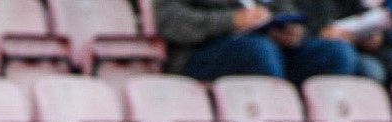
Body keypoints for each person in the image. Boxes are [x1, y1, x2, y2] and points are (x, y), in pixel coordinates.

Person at [154, 0, 362, 85]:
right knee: (259, 50)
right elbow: (169, 20)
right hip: (202, 51)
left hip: (271, 47)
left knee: (337, 52)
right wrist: (232, 20)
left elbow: (286, 11)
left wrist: (292, 32)